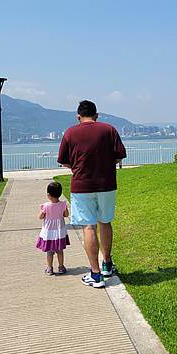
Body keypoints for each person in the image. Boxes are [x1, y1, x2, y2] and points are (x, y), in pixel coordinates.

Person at [57, 100, 127, 288]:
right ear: (97, 115)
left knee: (88, 226)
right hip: (107, 184)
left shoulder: (70, 132)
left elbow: (63, 160)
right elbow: (119, 154)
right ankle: (107, 264)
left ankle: (95, 275)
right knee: (105, 221)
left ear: (78, 116)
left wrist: (79, 168)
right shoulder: (109, 130)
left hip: (82, 186)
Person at [36, 181, 70, 275]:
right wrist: (64, 209)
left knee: (49, 252)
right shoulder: (63, 204)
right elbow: (66, 215)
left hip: (49, 232)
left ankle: (50, 268)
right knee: (60, 251)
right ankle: (61, 267)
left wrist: (43, 212)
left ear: (48, 194)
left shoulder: (46, 206)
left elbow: (40, 217)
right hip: (59, 231)